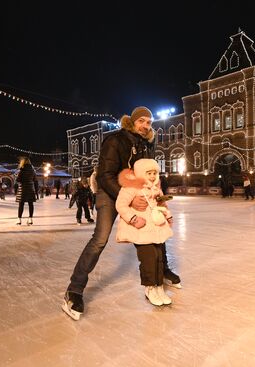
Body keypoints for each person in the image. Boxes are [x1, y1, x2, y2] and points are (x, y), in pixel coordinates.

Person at [61, 106, 181, 321]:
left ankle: (161, 272)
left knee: (155, 227)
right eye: (142, 121)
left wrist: (156, 196)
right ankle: (74, 290)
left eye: (149, 122)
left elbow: (148, 174)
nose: (146, 125)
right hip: (110, 192)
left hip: (138, 193)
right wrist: (128, 197)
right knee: (100, 239)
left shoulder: (146, 144)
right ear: (132, 121)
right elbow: (105, 176)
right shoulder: (115, 140)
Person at [115, 159, 174, 306]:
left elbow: (162, 204)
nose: (153, 176)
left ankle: (159, 287)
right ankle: (149, 288)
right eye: (149, 173)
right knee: (149, 259)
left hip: (157, 228)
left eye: (155, 173)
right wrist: (133, 219)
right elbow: (120, 205)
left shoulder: (155, 188)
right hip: (141, 229)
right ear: (141, 173)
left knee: (159, 258)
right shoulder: (131, 187)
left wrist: (168, 215)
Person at [15, 157, 38, 225]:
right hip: (30, 188)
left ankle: (19, 220)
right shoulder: (33, 171)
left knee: (21, 204)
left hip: (23, 188)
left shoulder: (22, 170)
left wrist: (17, 176)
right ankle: (30, 219)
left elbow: (18, 180)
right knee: (30, 204)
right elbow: (35, 180)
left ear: (23, 162)